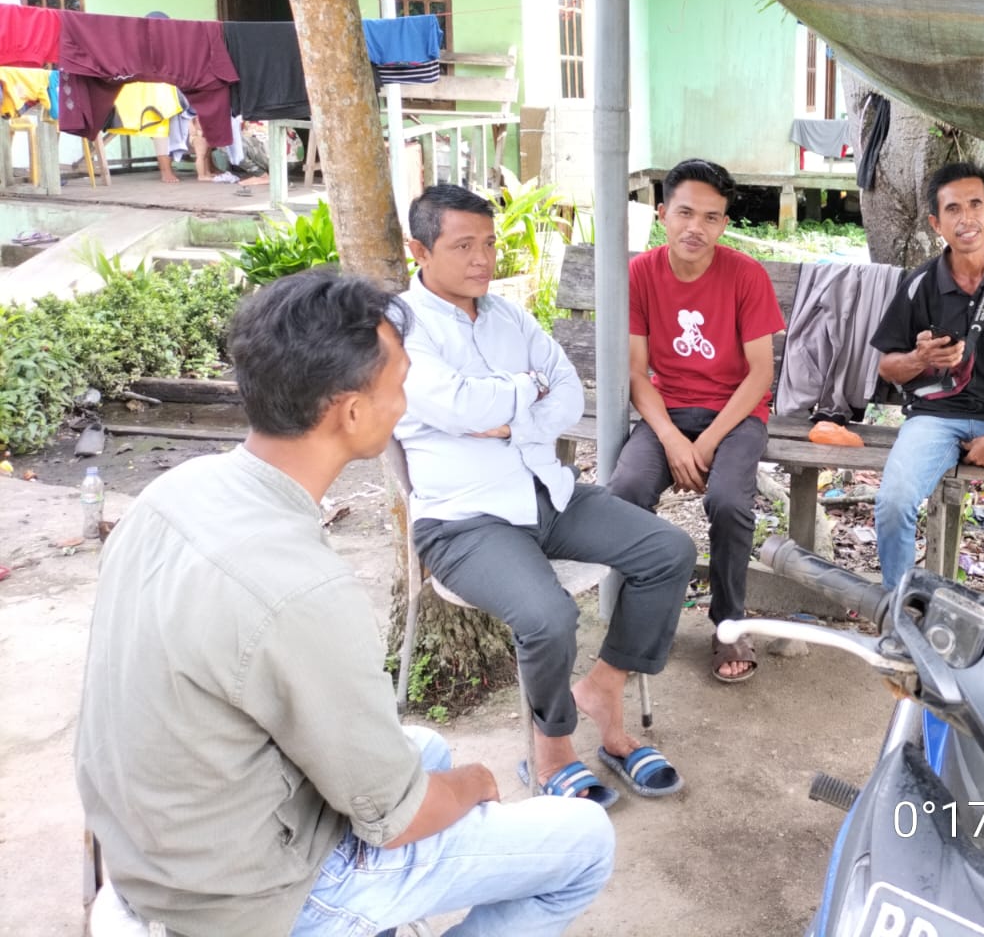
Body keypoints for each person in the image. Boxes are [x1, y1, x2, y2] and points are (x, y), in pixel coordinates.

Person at [76, 270, 614, 937]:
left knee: (425, 750)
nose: (407, 400)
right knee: (583, 840)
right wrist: (477, 785)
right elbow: (396, 820)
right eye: (400, 383)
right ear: (351, 413)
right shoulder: (304, 590)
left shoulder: (174, 494)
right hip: (245, 896)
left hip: (154, 843)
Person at [396, 185, 696, 805]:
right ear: (418, 250)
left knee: (668, 550)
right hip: (464, 520)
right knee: (548, 616)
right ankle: (551, 747)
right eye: (463, 246)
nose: (483, 259)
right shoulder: (398, 328)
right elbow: (452, 405)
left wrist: (507, 411)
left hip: (549, 494)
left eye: (489, 243)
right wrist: (523, 392)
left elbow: (568, 397)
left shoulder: (509, 316)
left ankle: (604, 687)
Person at [609, 159, 786, 683]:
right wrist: (669, 438)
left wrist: (704, 444)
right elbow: (637, 373)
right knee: (625, 491)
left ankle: (729, 624)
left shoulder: (745, 275)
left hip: (734, 416)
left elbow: (759, 377)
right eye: (685, 212)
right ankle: (637, 616)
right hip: (667, 410)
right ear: (663, 213)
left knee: (729, 501)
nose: (696, 227)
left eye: (711, 217)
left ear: (725, 224)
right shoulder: (641, 273)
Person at [869, 161, 984, 585]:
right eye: (953, 209)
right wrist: (920, 360)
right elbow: (887, 366)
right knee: (893, 501)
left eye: (976, 204)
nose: (967, 217)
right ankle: (899, 608)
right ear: (937, 224)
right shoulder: (920, 284)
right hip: (936, 418)